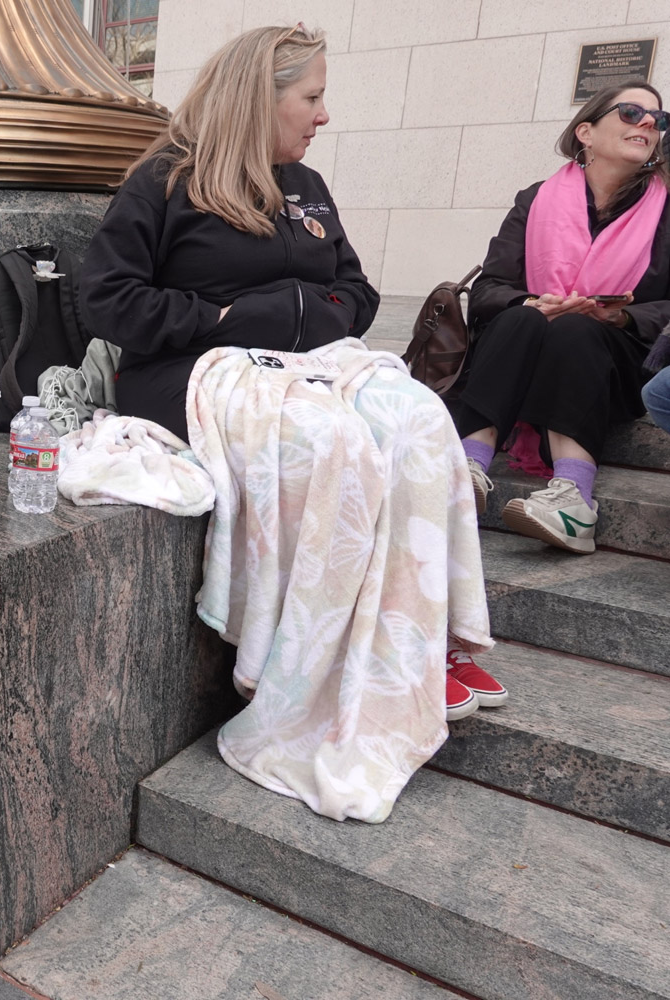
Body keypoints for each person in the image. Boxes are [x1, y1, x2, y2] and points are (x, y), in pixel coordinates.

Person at [78, 24, 499, 823]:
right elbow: (107, 300)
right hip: (194, 370)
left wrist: (315, 313)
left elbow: (357, 292)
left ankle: (415, 647)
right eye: (311, 97)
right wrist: (228, 315)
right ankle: (310, 672)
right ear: (257, 98)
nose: (323, 115)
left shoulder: (304, 183)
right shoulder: (165, 181)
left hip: (309, 364)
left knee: (417, 420)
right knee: (330, 444)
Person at [454, 82, 670, 556]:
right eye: (633, 112)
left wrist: (624, 317)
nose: (650, 123)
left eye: (659, 118)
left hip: (614, 359)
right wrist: (531, 304)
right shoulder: (536, 199)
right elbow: (490, 289)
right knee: (522, 319)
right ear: (586, 132)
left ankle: (573, 500)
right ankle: (466, 469)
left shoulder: (666, 209)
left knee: (576, 326)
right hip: (526, 348)